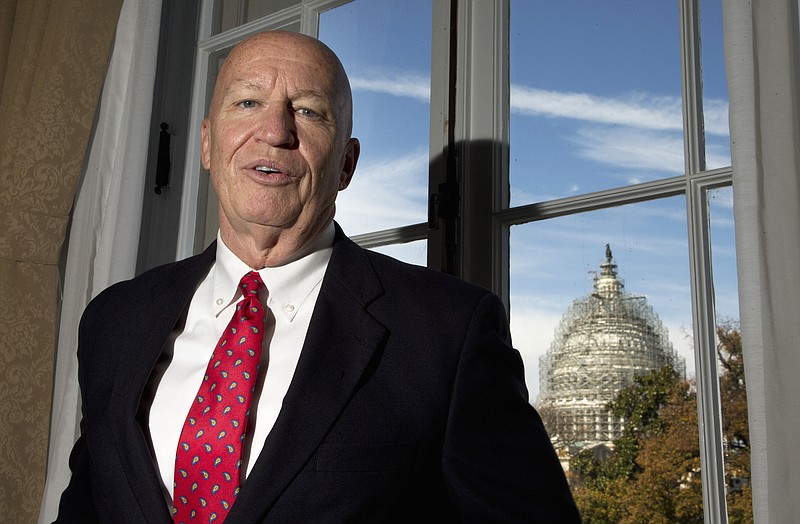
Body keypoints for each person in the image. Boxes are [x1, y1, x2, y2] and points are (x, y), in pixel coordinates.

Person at [54, 30, 581, 523]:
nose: (275, 132)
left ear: (346, 164)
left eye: (308, 111)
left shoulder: (448, 332)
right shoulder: (113, 320)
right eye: (247, 103)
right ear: (208, 145)